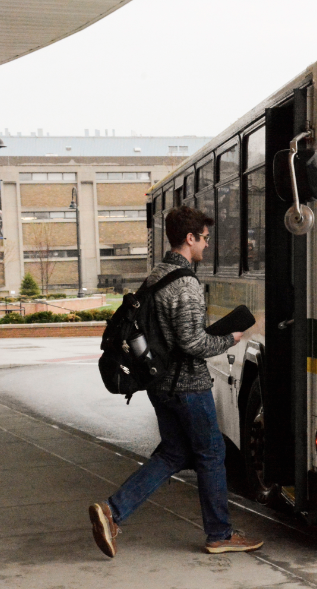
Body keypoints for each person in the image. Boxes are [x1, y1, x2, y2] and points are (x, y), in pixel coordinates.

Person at [88, 206, 262, 557]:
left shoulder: (157, 275)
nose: (207, 245)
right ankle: (219, 533)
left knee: (173, 452)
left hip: (159, 384)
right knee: (212, 453)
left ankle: (112, 511)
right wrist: (232, 339)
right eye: (204, 238)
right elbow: (193, 343)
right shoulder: (185, 283)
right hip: (188, 386)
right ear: (189, 238)